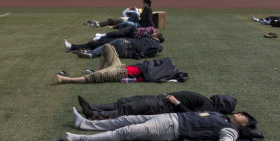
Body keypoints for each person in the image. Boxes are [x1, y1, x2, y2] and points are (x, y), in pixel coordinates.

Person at [45, 104, 263, 141]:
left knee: (126, 131)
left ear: (243, 125)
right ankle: (84, 124)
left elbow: (228, 140)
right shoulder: (223, 117)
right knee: (125, 120)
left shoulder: (231, 129)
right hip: (170, 117)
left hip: (170, 128)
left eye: (245, 115)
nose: (241, 113)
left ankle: (78, 139)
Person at [56, 44, 186, 84]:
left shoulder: (155, 75)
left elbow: (148, 79)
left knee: (97, 78)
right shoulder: (153, 67)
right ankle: (98, 69)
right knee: (107, 47)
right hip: (121, 66)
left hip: (120, 72)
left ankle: (66, 80)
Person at [77, 92, 236, 119]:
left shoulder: (209, 109)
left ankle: (94, 116)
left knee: (129, 109)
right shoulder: (208, 103)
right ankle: (93, 106)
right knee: (124, 102)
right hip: (160, 98)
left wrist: (176, 102)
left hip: (163, 106)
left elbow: (191, 117)